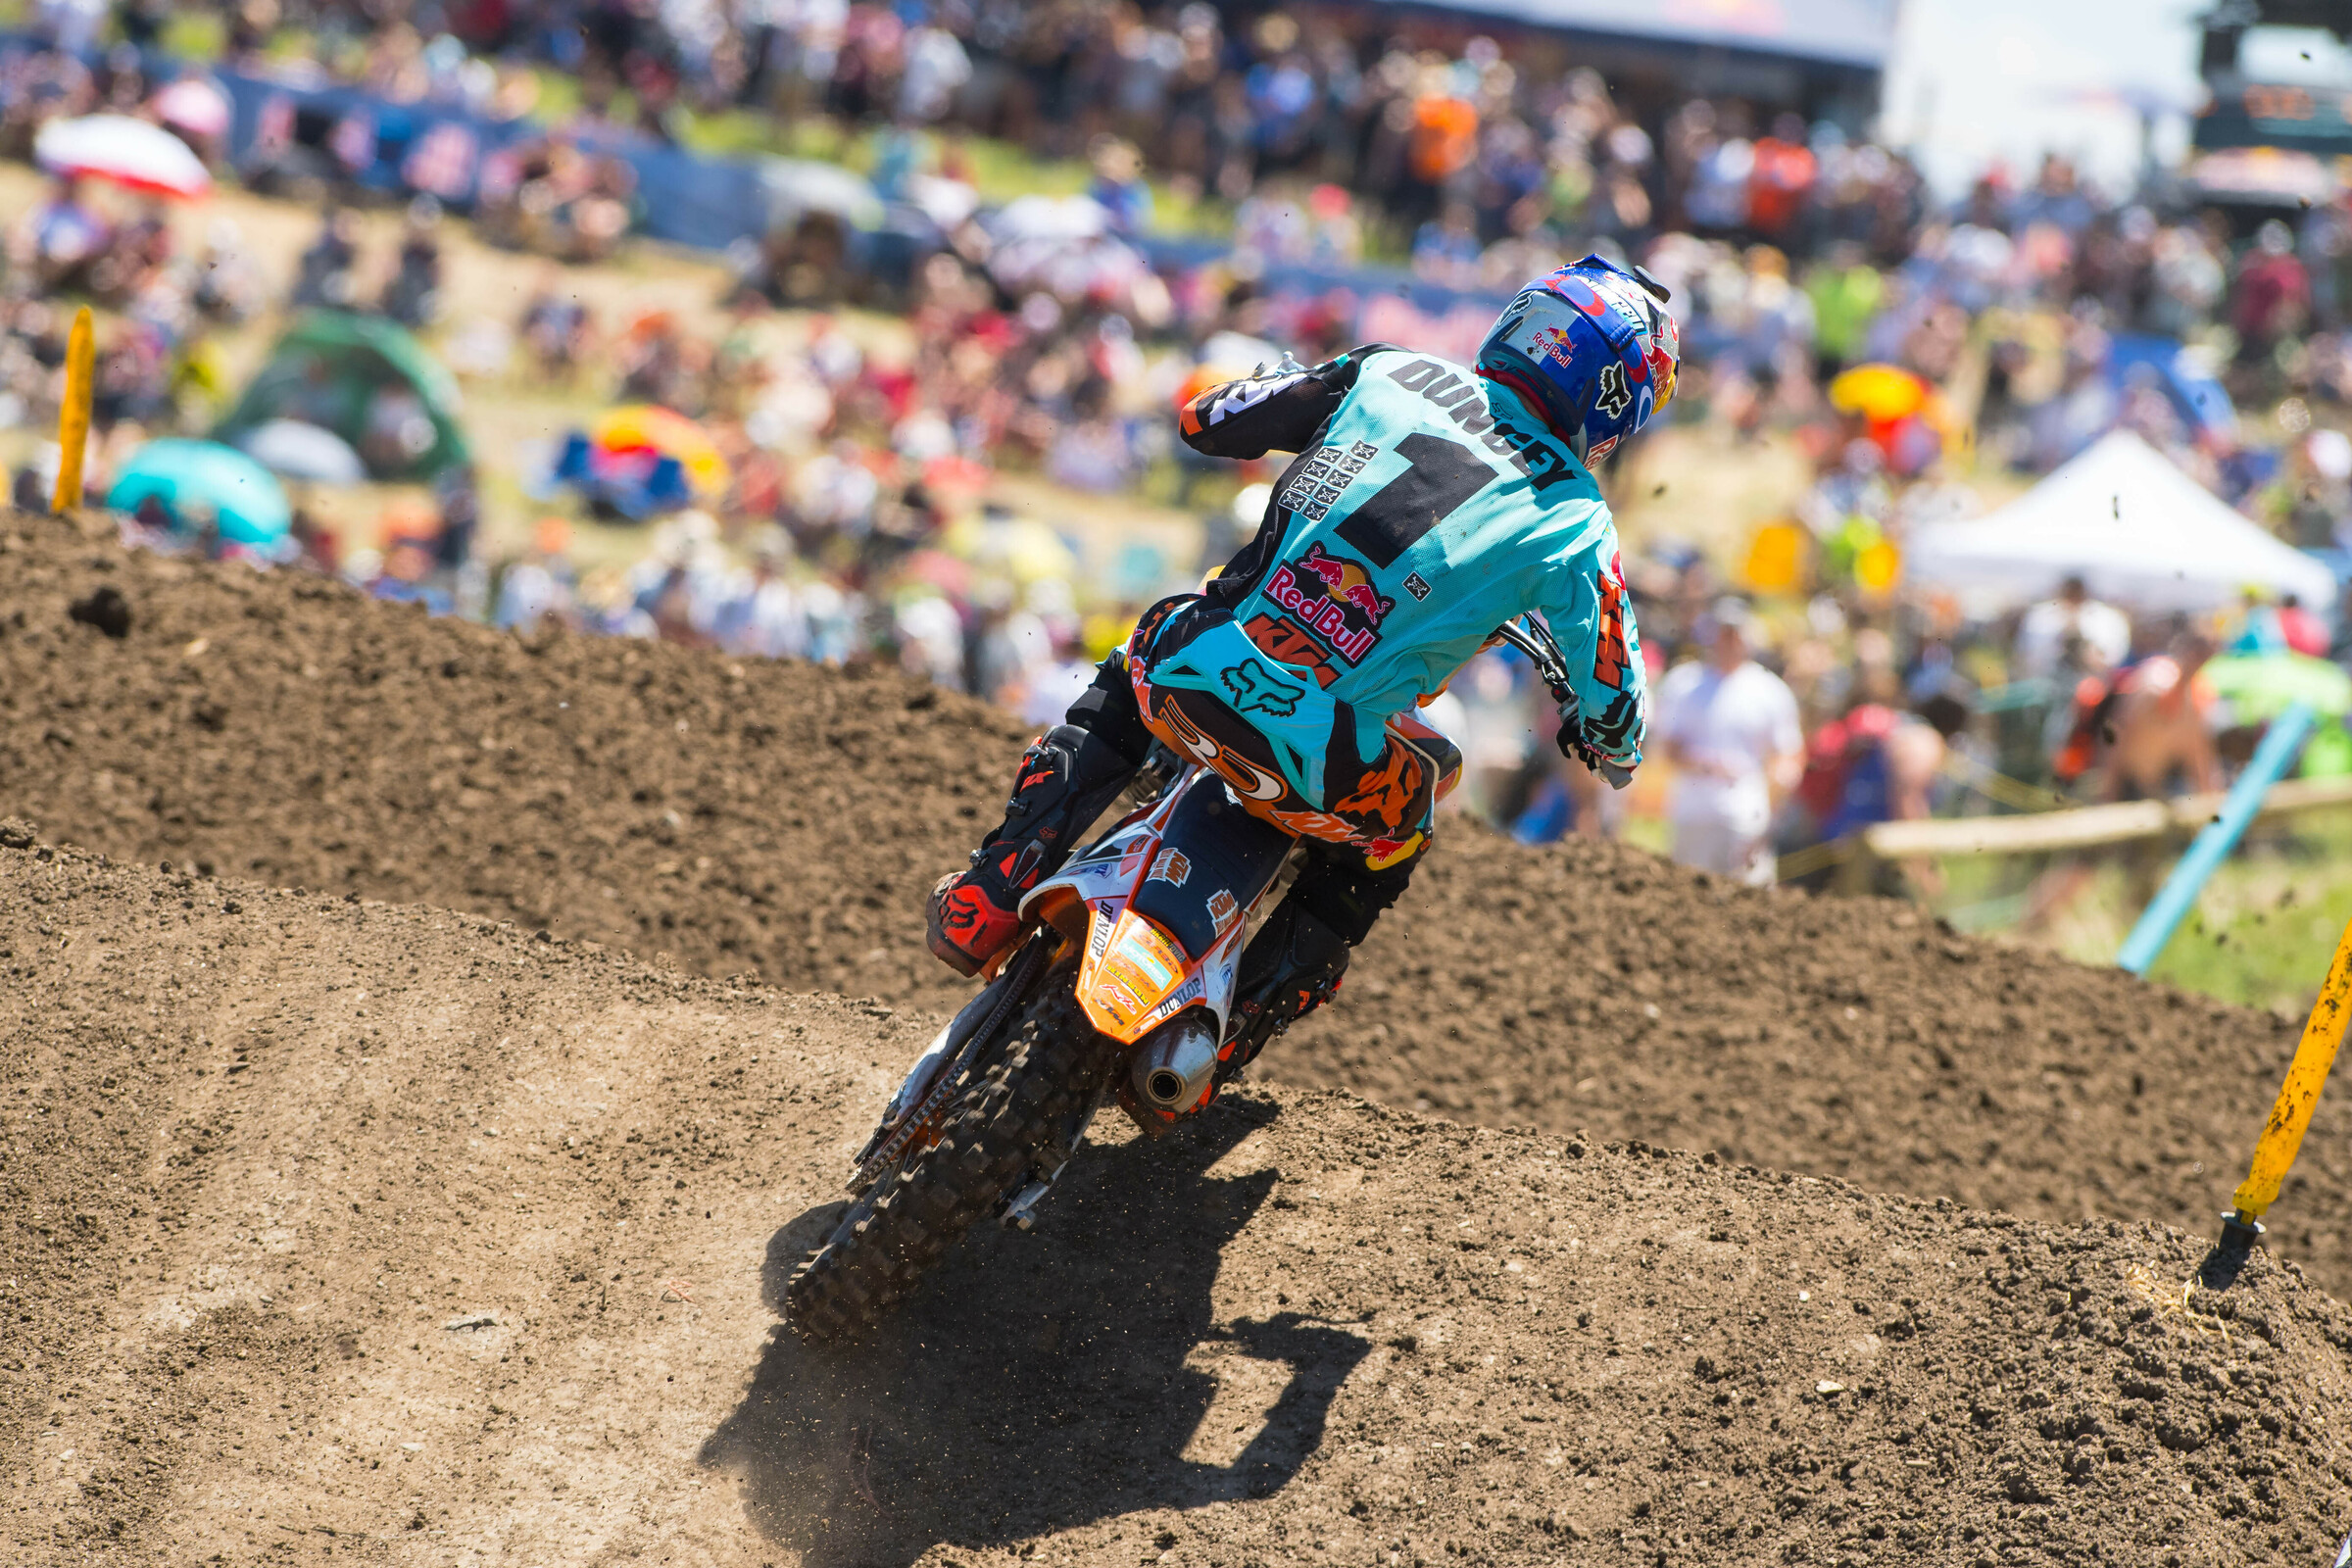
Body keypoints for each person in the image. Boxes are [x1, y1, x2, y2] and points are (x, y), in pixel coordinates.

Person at [925, 255, 1673, 1055]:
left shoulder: (1390, 371)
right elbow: (1618, 709)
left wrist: (1274, 387)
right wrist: (1604, 739)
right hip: (1328, 760)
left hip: (1194, 669)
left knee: (1138, 652)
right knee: (1401, 834)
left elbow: (1208, 420)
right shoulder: (1578, 519)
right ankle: (1234, 1033)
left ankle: (992, 890)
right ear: (1616, 403)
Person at [1653, 599, 1801, 885]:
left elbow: (1787, 757)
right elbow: (1667, 747)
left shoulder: (1769, 690)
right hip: (1693, 812)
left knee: (1748, 892)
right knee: (1689, 891)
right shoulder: (1683, 683)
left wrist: (1772, 815)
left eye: (1735, 634)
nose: (1729, 641)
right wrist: (1704, 764)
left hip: (1746, 813)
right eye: (1723, 633)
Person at [2013, 574, 2130, 680]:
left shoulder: (2105, 618)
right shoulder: (2041, 616)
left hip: (2091, 683)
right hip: (2045, 680)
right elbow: (2028, 652)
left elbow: (2113, 655)